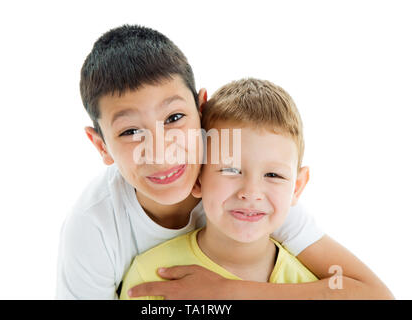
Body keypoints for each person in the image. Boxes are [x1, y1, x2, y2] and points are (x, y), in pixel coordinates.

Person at [56, 24, 393, 299]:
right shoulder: (93, 228)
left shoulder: (246, 190)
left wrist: (227, 293)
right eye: (130, 131)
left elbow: (372, 293)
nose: (161, 150)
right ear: (101, 145)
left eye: (174, 117)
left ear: (200, 109)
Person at [120, 78, 324, 299]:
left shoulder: (309, 285)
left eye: (273, 175)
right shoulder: (152, 278)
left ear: (297, 187)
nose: (251, 192)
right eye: (231, 170)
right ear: (198, 179)